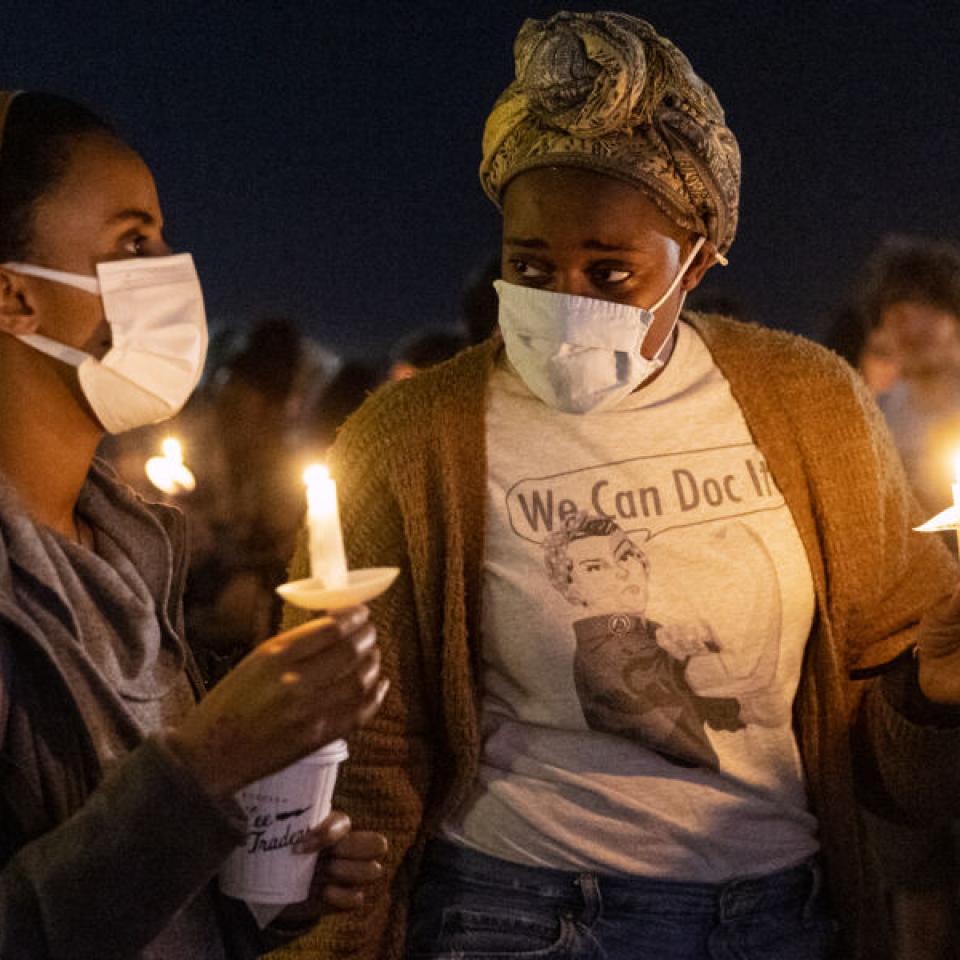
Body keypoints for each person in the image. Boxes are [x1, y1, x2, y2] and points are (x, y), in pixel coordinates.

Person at [279, 12, 960, 960]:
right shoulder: (413, 439)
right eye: (532, 266)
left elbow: (886, 742)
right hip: (514, 917)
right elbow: (366, 746)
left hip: (775, 920)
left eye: (610, 271)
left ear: (695, 258)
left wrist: (932, 692)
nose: (566, 302)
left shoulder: (813, 406)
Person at [0, 90, 389, 959]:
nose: (172, 271)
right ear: (15, 297)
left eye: (163, 239)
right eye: (132, 243)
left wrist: (262, 879)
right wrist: (206, 765)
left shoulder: (135, 548)